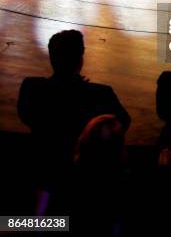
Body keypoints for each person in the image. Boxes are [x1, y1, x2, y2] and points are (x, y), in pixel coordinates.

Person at [17, 29, 130, 206]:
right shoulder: (101, 95)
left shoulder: (32, 88)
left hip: (41, 176)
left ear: (52, 59)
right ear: (81, 60)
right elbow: (122, 122)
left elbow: (26, 115)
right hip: (85, 185)